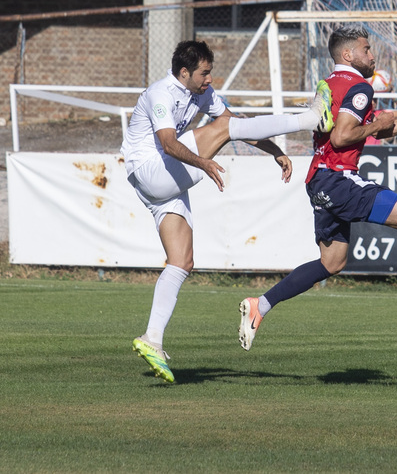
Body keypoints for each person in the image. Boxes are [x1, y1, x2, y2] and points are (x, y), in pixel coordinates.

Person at [237, 25, 397, 351]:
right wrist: (377, 124)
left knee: (332, 263)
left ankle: (262, 304)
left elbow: (365, 130)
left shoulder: (330, 84)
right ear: (348, 54)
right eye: (367, 49)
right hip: (339, 178)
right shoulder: (358, 86)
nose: (372, 55)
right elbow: (344, 136)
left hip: (319, 180)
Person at [122, 39, 333, 383]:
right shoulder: (161, 92)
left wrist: (273, 150)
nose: (209, 80)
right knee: (219, 129)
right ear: (184, 72)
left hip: (161, 183)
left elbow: (237, 123)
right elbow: (168, 143)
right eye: (204, 73)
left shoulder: (201, 93)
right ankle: (310, 117)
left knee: (181, 261)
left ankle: (152, 339)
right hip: (152, 170)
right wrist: (203, 162)